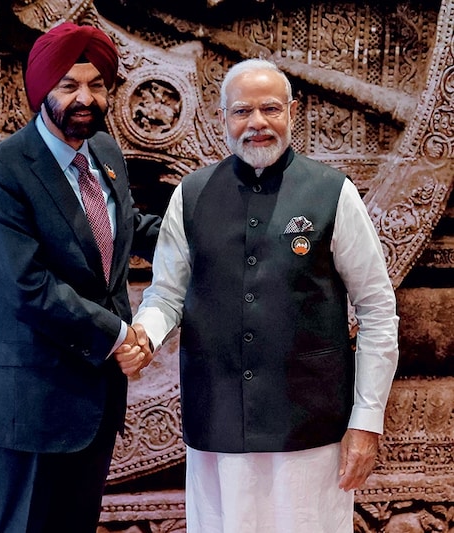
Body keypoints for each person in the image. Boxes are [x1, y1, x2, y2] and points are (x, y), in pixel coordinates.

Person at [132, 58, 400, 532]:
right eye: (242, 112)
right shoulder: (191, 195)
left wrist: (367, 421)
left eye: (270, 109)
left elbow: (377, 309)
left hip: (311, 431)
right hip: (216, 427)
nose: (257, 123)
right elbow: (166, 295)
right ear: (223, 120)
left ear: (292, 113)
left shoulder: (332, 193)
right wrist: (145, 336)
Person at [0, 22, 160, 533]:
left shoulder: (106, 154)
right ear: (42, 89)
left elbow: (123, 230)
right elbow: (27, 287)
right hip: (28, 400)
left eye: (96, 84)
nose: (84, 98)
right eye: (69, 85)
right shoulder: (0, 170)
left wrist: (214, 230)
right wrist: (118, 337)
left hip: (93, 399)